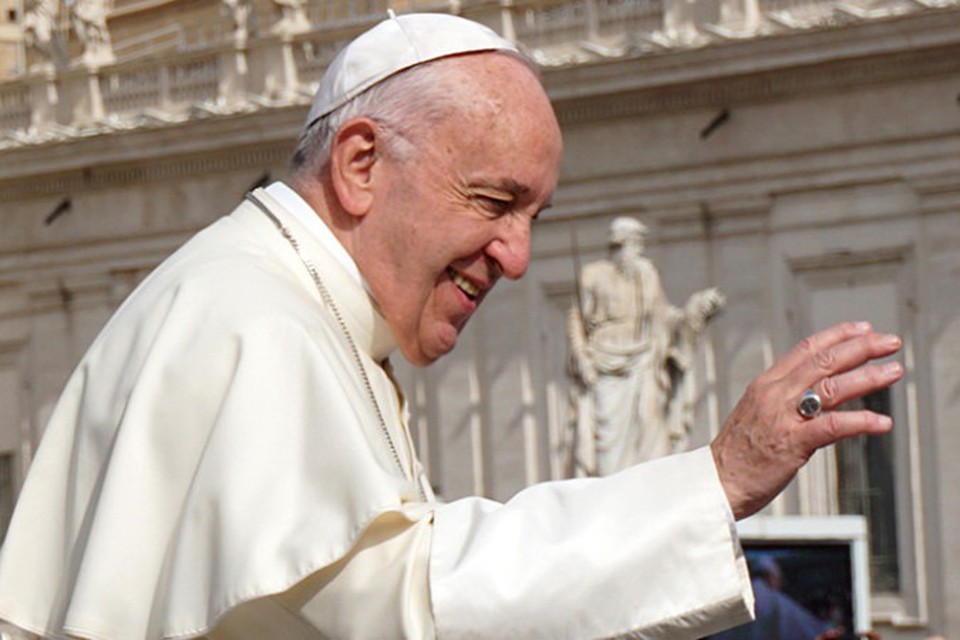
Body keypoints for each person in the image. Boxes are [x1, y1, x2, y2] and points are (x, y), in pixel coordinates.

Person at [0, 12, 904, 640]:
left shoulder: (275, 304)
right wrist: (712, 480)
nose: (516, 257)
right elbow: (411, 607)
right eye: (494, 201)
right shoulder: (253, 320)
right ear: (359, 164)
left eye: (534, 218)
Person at [567, 216, 724, 475]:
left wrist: (695, 311)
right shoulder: (593, 276)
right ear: (620, 245)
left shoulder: (646, 274)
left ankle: (648, 493)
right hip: (606, 365)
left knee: (651, 431)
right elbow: (576, 320)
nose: (638, 251)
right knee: (607, 444)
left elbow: (664, 316)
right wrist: (581, 358)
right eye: (635, 244)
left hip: (644, 362)